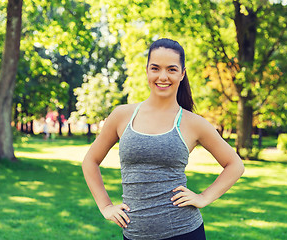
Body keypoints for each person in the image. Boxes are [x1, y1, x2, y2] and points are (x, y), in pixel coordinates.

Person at [82, 38, 245, 240]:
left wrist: (203, 197)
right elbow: (90, 161)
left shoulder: (193, 123)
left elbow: (235, 165)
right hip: (134, 235)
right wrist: (105, 206)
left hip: (183, 231)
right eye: (156, 68)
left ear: (182, 74)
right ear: (147, 71)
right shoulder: (122, 115)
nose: (163, 76)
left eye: (172, 69)